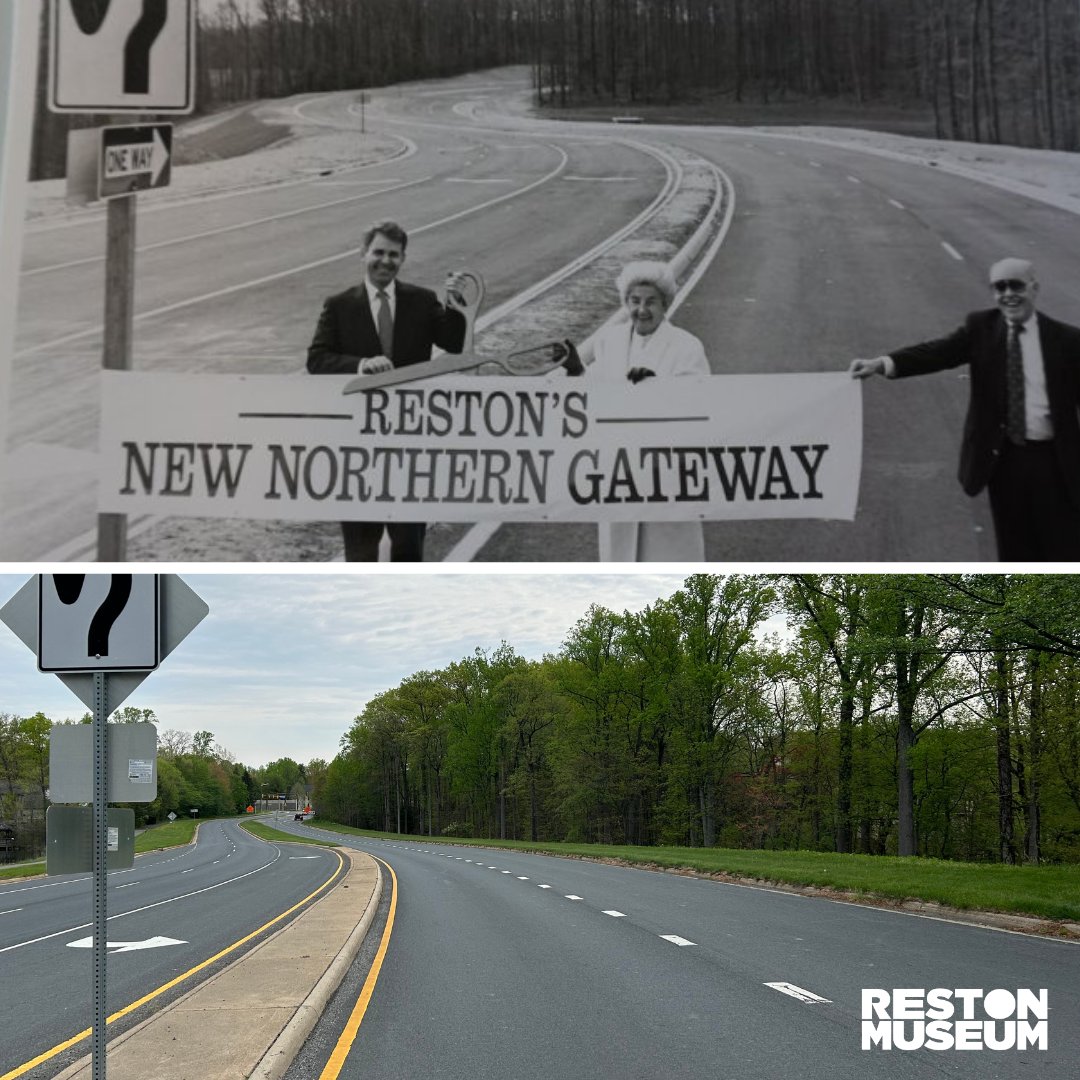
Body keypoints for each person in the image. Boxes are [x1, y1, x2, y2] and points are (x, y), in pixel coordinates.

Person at [849, 257, 1080, 561]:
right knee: (1014, 548)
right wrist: (881, 363)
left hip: (1054, 460)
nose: (1008, 293)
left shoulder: (1066, 340)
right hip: (1003, 459)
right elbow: (937, 353)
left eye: (1017, 285)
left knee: (1063, 546)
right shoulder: (980, 328)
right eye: (1000, 287)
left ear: (1034, 288)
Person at [307, 220, 468, 561]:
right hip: (358, 451)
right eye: (378, 252)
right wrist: (362, 366)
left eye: (394, 255)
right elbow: (317, 360)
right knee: (361, 551)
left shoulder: (422, 301)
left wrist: (455, 305)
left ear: (403, 259)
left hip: (409, 448)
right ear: (363, 254)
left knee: (409, 548)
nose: (385, 261)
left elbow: (454, 344)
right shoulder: (339, 305)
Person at [587, 260, 710, 561]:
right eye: (634, 301)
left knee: (669, 561)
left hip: (666, 473)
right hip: (619, 471)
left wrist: (658, 388)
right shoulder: (608, 342)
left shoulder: (686, 347)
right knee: (621, 564)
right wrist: (574, 369)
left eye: (651, 301)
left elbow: (701, 402)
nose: (642, 309)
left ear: (665, 304)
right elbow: (593, 390)